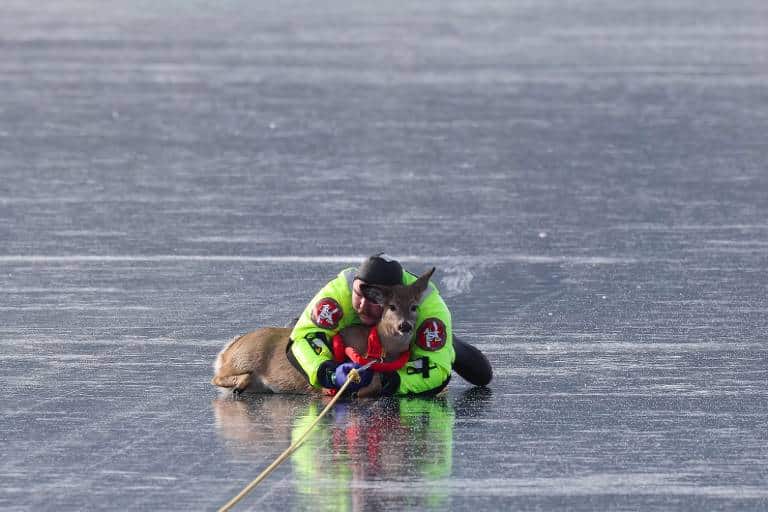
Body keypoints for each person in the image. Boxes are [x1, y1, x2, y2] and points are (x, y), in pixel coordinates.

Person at [286, 254, 492, 396]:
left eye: (374, 299)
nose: (363, 306)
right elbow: (303, 338)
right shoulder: (340, 291)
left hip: (410, 330)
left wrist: (387, 381)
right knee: (297, 329)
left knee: (482, 374)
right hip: (356, 330)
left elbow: (435, 370)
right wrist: (329, 373)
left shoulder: (428, 308)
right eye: (359, 294)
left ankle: (450, 345)